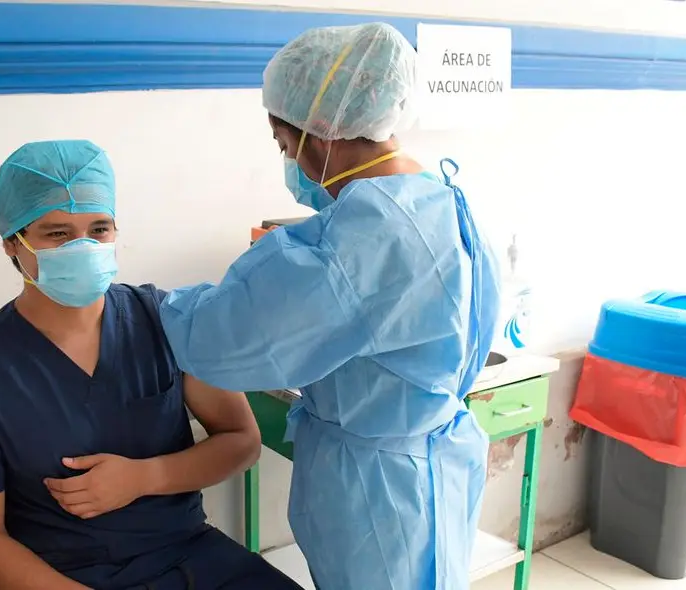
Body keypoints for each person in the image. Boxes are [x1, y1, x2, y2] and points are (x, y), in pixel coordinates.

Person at [158, 23, 501, 590]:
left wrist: (153, 307)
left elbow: (231, 337)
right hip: (435, 465)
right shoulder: (443, 197)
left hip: (378, 494)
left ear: (320, 135)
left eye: (283, 143)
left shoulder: (363, 241)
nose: (288, 161)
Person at [0, 140, 302, 590]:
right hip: (70, 578)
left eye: (98, 229)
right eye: (57, 234)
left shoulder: (164, 320)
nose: (82, 247)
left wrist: (145, 477)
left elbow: (241, 440)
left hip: (195, 557)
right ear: (11, 243)